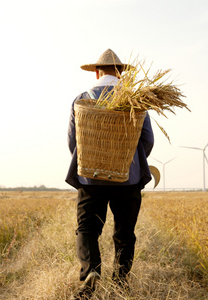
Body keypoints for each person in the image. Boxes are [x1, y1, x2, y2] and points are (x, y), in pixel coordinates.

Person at [65, 49, 154, 299]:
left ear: (96, 72)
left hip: (90, 177)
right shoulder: (135, 99)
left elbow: (74, 141)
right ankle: (121, 284)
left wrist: (89, 163)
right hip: (128, 177)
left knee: (87, 228)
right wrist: (130, 162)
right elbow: (146, 139)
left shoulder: (82, 99)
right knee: (125, 232)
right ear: (121, 72)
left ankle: (90, 272)